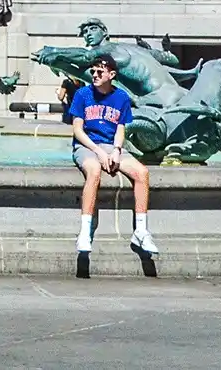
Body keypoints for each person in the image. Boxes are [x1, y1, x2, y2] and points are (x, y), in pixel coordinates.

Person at [66, 54, 156, 255]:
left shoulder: (121, 98)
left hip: (111, 146)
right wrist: (98, 151)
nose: (95, 75)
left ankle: (141, 231)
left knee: (142, 173)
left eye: (100, 72)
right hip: (87, 146)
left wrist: (116, 150)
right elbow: (78, 131)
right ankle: (84, 232)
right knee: (94, 171)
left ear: (112, 74)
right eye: (93, 71)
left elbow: (120, 129)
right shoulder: (82, 94)